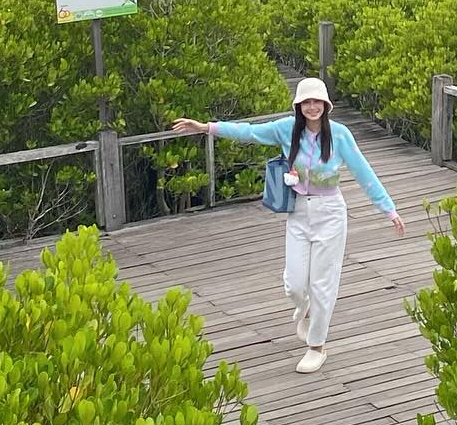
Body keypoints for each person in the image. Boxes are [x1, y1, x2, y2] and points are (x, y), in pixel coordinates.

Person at [172, 79, 405, 374]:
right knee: (295, 283)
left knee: (323, 284)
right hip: (298, 212)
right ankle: (303, 309)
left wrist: (388, 209)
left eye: (317, 102)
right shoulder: (285, 129)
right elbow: (249, 132)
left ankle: (316, 345)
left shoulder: (340, 135)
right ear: (298, 106)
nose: (311, 107)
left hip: (330, 212)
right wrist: (207, 127)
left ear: (325, 105)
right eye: (306, 102)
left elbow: (363, 172)